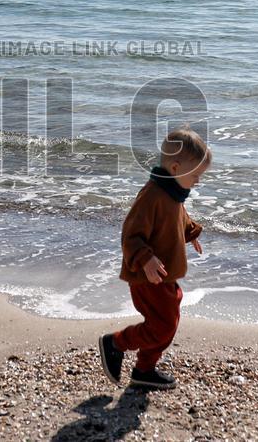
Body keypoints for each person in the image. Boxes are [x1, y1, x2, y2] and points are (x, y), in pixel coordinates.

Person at [98, 128, 210, 390]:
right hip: (147, 276)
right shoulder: (152, 196)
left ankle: (144, 370)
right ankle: (115, 343)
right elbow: (131, 234)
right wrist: (146, 259)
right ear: (175, 168)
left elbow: (177, 218)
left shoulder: (173, 193)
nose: (198, 181)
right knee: (162, 326)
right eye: (195, 175)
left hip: (164, 274)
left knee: (168, 324)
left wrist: (190, 232)